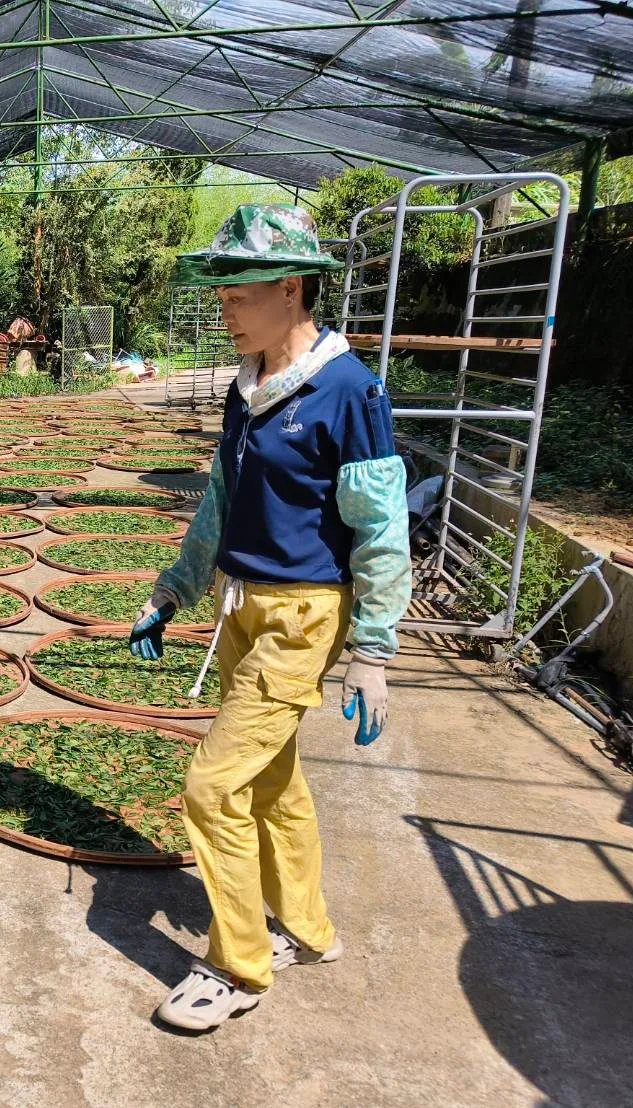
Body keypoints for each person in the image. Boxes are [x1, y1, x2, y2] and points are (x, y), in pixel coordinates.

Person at [129, 204, 411, 1032]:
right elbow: (220, 497)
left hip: (301, 616)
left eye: (236, 294)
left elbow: (380, 524)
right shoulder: (245, 386)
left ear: (290, 290)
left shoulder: (348, 391)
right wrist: (171, 590)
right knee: (272, 783)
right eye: (219, 297)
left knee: (211, 787)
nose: (223, 311)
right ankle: (305, 928)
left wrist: (373, 650)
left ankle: (236, 967)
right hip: (239, 608)